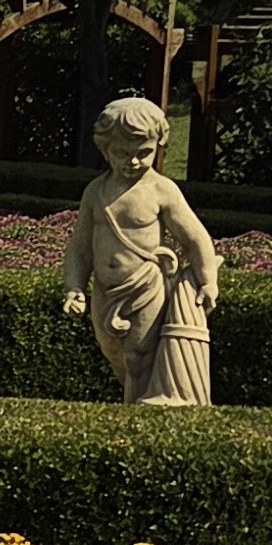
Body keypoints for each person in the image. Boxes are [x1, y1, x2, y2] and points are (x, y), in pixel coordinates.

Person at [60, 93, 219, 406]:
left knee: (138, 355)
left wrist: (208, 281)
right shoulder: (95, 191)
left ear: (158, 146)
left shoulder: (161, 190)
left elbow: (195, 238)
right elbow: (79, 247)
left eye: (144, 153)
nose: (133, 162)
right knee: (115, 354)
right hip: (106, 291)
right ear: (105, 149)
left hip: (146, 285)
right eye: (122, 153)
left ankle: (137, 416)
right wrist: (74, 287)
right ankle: (135, 403)